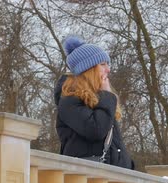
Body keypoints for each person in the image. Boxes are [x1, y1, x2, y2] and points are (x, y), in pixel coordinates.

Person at [54, 36, 135, 170]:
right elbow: (97, 130)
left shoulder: (99, 100)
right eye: (103, 64)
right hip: (89, 179)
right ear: (88, 69)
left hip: (114, 180)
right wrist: (107, 95)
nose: (108, 69)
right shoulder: (70, 100)